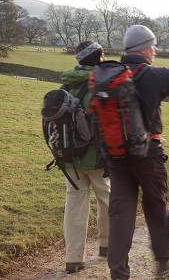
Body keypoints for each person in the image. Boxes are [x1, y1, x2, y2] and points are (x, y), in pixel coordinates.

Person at [107, 25, 169, 279]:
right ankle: (163, 261)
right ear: (146, 48)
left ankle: (118, 273)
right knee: (155, 206)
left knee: (120, 214)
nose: (156, 51)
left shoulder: (111, 74)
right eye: (154, 46)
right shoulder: (151, 75)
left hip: (116, 156)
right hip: (148, 155)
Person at [60, 41, 110, 274]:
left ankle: (72, 258)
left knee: (74, 205)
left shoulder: (66, 85)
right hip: (99, 158)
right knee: (107, 199)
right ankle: (107, 246)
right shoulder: (102, 83)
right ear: (99, 56)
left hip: (70, 156)